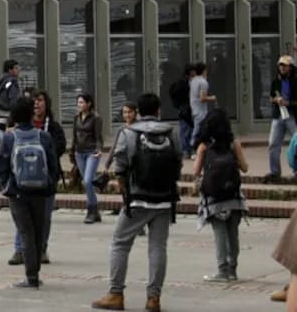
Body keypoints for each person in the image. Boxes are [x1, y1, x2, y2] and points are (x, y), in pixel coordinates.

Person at [92, 93, 182, 312]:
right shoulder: (171, 132)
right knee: (158, 247)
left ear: (139, 112)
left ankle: (116, 294)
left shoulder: (128, 132)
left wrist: (125, 191)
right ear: (158, 110)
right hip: (164, 199)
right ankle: (153, 299)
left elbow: (120, 166)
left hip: (137, 199)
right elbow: (178, 162)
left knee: (120, 243)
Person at [0, 96, 58, 289]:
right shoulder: (43, 136)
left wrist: (7, 186)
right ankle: (35, 272)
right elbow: (53, 164)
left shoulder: (10, 137)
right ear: (32, 114)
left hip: (18, 192)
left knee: (25, 233)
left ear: (14, 115)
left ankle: (31, 276)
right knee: (38, 231)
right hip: (40, 192)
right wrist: (49, 185)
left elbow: (3, 166)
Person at [9, 90, 66, 265]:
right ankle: (20, 250)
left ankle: (41, 249)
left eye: (40, 100)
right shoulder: (17, 131)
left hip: (45, 181)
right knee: (22, 217)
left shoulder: (53, 128)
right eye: (33, 101)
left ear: (46, 103)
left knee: (44, 218)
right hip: (22, 180)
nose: (36, 104)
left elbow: (59, 149)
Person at [193, 107, 248, 282]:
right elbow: (245, 168)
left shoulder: (204, 147)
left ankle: (222, 271)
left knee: (220, 235)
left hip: (214, 198)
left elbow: (196, 172)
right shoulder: (234, 144)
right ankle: (233, 270)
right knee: (233, 234)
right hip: (234, 196)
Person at [72, 92, 105, 224]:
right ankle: (95, 211)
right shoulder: (76, 117)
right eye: (78, 102)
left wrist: (98, 150)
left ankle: (91, 210)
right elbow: (74, 135)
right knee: (87, 184)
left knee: (87, 181)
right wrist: (72, 151)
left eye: (82, 102)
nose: (79, 105)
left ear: (89, 103)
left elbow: (99, 137)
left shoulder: (96, 118)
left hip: (92, 152)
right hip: (79, 152)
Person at [267, 56, 297, 183]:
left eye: (284, 65)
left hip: (291, 116)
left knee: (296, 144)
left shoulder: (295, 81)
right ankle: (275, 172)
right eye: (280, 65)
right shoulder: (276, 81)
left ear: (290, 67)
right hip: (278, 116)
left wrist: (288, 103)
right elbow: (270, 97)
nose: (282, 67)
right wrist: (276, 100)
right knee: (273, 144)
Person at [189, 62, 216, 155]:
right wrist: (212, 98)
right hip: (201, 111)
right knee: (198, 130)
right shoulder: (203, 82)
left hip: (194, 108)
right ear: (204, 70)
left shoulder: (193, 80)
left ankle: (201, 148)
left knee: (200, 129)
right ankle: (193, 148)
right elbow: (202, 98)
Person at [0, 60, 21, 131]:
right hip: (8, 119)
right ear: (10, 70)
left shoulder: (2, 81)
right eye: (16, 68)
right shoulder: (12, 83)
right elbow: (13, 101)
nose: (19, 70)